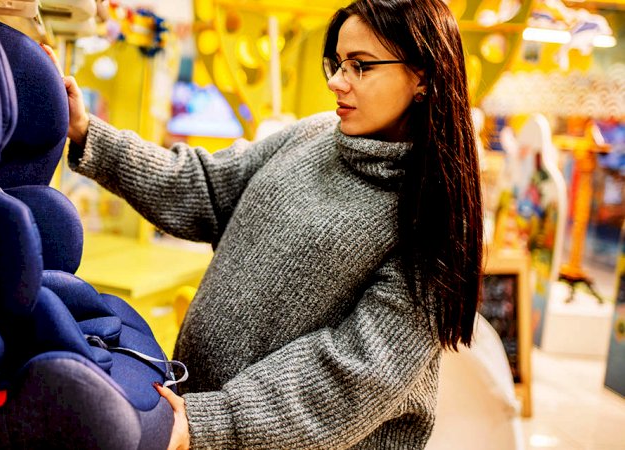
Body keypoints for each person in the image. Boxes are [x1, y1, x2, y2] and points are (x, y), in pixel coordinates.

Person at [64, 0, 483, 448]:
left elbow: (353, 376)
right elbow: (207, 187)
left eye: (360, 66)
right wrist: (88, 132)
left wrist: (211, 422)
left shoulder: (431, 215)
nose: (336, 82)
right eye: (338, 63)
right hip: (199, 421)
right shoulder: (313, 134)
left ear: (422, 75)